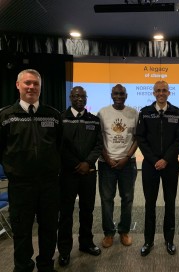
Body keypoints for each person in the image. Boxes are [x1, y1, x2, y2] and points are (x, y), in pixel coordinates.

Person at [0, 69, 61, 272]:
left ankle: (46, 265)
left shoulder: (53, 115)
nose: (31, 87)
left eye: (35, 83)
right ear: (18, 85)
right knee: (22, 230)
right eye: (27, 83)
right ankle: (23, 266)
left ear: (40, 87)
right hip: (20, 186)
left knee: (49, 229)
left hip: (49, 185)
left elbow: (60, 147)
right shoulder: (6, 116)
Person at [136, 80, 179, 256]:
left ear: (169, 93)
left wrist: (165, 159)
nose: (161, 93)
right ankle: (148, 241)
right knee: (150, 204)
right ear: (154, 93)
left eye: (164, 90)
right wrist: (155, 159)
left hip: (170, 165)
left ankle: (169, 240)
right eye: (158, 90)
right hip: (150, 166)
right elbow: (141, 138)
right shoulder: (145, 112)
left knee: (170, 203)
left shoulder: (177, 113)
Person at [57, 86, 103, 267]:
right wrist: (76, 164)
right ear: (70, 97)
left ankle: (86, 243)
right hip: (68, 174)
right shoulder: (61, 118)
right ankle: (64, 250)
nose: (79, 99)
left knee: (87, 210)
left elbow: (99, 145)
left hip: (89, 173)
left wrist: (88, 163)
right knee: (66, 213)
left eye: (82, 96)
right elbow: (59, 146)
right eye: (76, 96)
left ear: (86, 98)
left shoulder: (94, 120)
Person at [97, 84, 138, 248]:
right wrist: (107, 159)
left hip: (127, 163)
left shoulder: (134, 113)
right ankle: (108, 233)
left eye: (121, 94)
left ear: (126, 95)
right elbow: (98, 138)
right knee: (107, 200)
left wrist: (126, 157)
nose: (119, 96)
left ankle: (124, 231)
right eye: (116, 93)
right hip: (106, 163)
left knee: (127, 199)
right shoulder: (102, 113)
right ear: (111, 95)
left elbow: (137, 139)